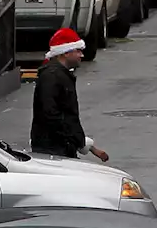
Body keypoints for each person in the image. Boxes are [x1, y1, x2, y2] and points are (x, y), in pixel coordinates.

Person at [30, 28, 110, 162]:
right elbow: (52, 113)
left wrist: (85, 145)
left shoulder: (59, 75)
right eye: (78, 51)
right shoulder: (53, 76)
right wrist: (72, 138)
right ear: (65, 53)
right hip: (54, 148)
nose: (81, 55)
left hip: (59, 146)